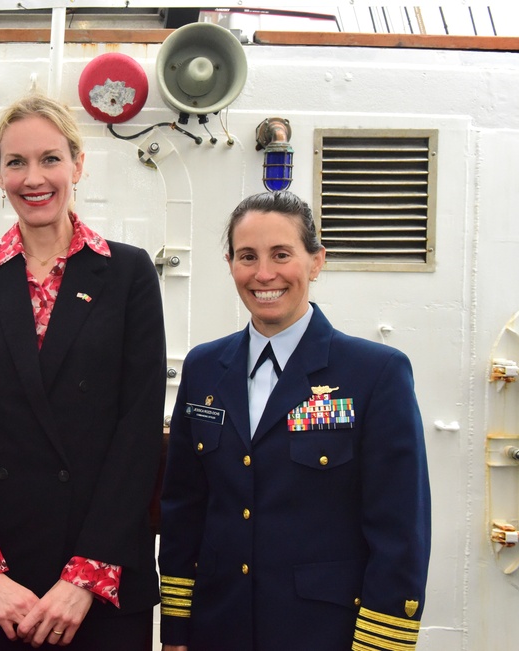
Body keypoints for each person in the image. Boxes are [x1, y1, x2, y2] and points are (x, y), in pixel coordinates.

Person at [0, 94, 166, 651]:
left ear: (78, 165)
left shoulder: (127, 273)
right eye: (16, 162)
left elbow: (136, 431)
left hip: (97, 581)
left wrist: (85, 576)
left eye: (50, 159)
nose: (34, 178)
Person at [158, 190, 431, 651]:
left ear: (316, 262)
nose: (264, 274)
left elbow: (399, 530)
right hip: (218, 628)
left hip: (324, 634)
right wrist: (177, 630)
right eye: (248, 256)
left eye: (281, 254)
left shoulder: (374, 374)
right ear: (230, 265)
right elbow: (185, 509)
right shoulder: (204, 368)